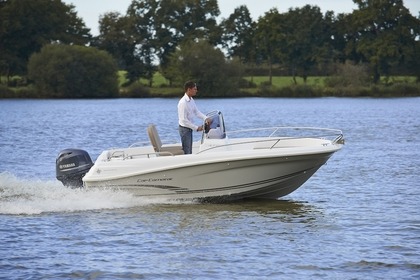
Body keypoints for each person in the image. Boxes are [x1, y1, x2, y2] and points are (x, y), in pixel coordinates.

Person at [178, 81, 209, 154]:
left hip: (189, 128)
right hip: (184, 129)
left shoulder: (191, 100)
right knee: (187, 151)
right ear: (189, 89)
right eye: (195, 89)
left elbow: (196, 112)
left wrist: (206, 118)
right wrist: (196, 128)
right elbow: (184, 120)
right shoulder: (183, 103)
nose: (196, 91)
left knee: (189, 150)